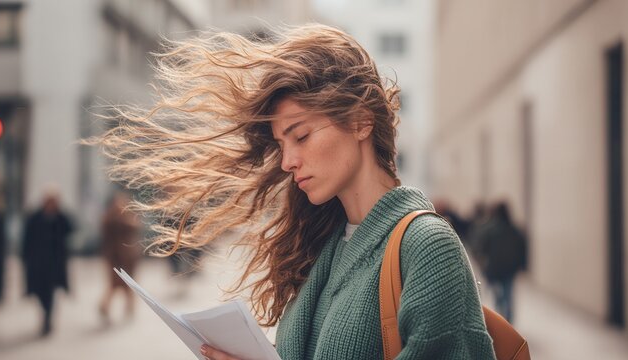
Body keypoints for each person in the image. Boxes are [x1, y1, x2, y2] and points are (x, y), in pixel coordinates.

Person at [93, 24, 496, 359]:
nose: (287, 161)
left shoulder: (427, 249)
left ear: (360, 122)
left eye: (300, 136)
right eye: (281, 145)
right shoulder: (324, 243)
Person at [22, 191, 73, 336]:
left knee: (50, 293)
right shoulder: (35, 217)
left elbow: (71, 228)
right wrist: (25, 257)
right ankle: (45, 314)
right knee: (39, 292)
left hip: (54, 265)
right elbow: (27, 239)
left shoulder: (60, 217)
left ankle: (47, 320)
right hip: (37, 264)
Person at [473, 202, 527, 323]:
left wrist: (483, 264)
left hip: (495, 268)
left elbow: (481, 248)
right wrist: (522, 265)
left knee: (498, 295)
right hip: (510, 268)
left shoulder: (490, 229)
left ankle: (501, 320)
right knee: (508, 294)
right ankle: (508, 321)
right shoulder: (515, 229)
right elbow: (522, 248)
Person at [99, 190, 142, 322]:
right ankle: (105, 306)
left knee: (129, 285)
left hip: (128, 257)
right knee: (114, 285)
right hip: (115, 257)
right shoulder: (110, 218)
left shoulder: (128, 218)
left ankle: (129, 307)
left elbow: (135, 229)